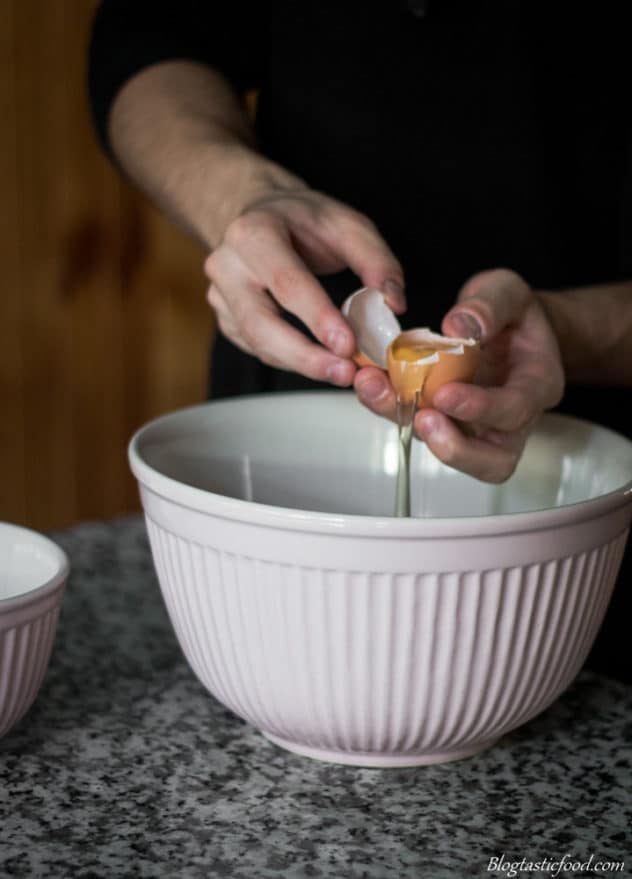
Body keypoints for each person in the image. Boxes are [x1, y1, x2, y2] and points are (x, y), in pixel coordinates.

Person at [88, 0, 631, 679]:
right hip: (289, 395)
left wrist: (574, 330)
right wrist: (241, 195)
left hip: (594, 519)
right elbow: (148, 36)